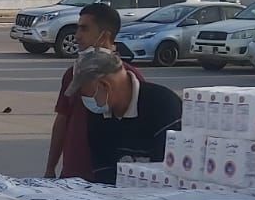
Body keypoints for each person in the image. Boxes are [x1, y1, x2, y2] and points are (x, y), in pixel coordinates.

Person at [44, 2, 144, 181]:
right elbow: (62, 120)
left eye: (84, 29)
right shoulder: (73, 75)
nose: (77, 36)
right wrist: (50, 167)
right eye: (77, 28)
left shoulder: (130, 77)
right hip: (72, 177)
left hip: (110, 178)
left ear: (104, 36)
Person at [67, 46, 183, 185]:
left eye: (84, 93)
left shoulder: (164, 106)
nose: (84, 99)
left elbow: (169, 172)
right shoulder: (98, 114)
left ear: (105, 86)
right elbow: (103, 171)